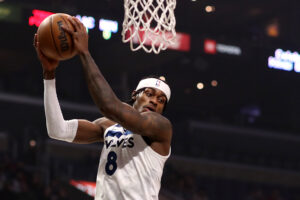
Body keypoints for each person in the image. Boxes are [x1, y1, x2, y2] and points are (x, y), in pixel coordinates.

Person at [34, 16, 172, 200]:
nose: (155, 101)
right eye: (149, 93)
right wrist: (49, 75)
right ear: (134, 95)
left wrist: (84, 53)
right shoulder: (109, 125)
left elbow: (109, 106)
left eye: (161, 100)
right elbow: (58, 130)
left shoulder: (160, 127)